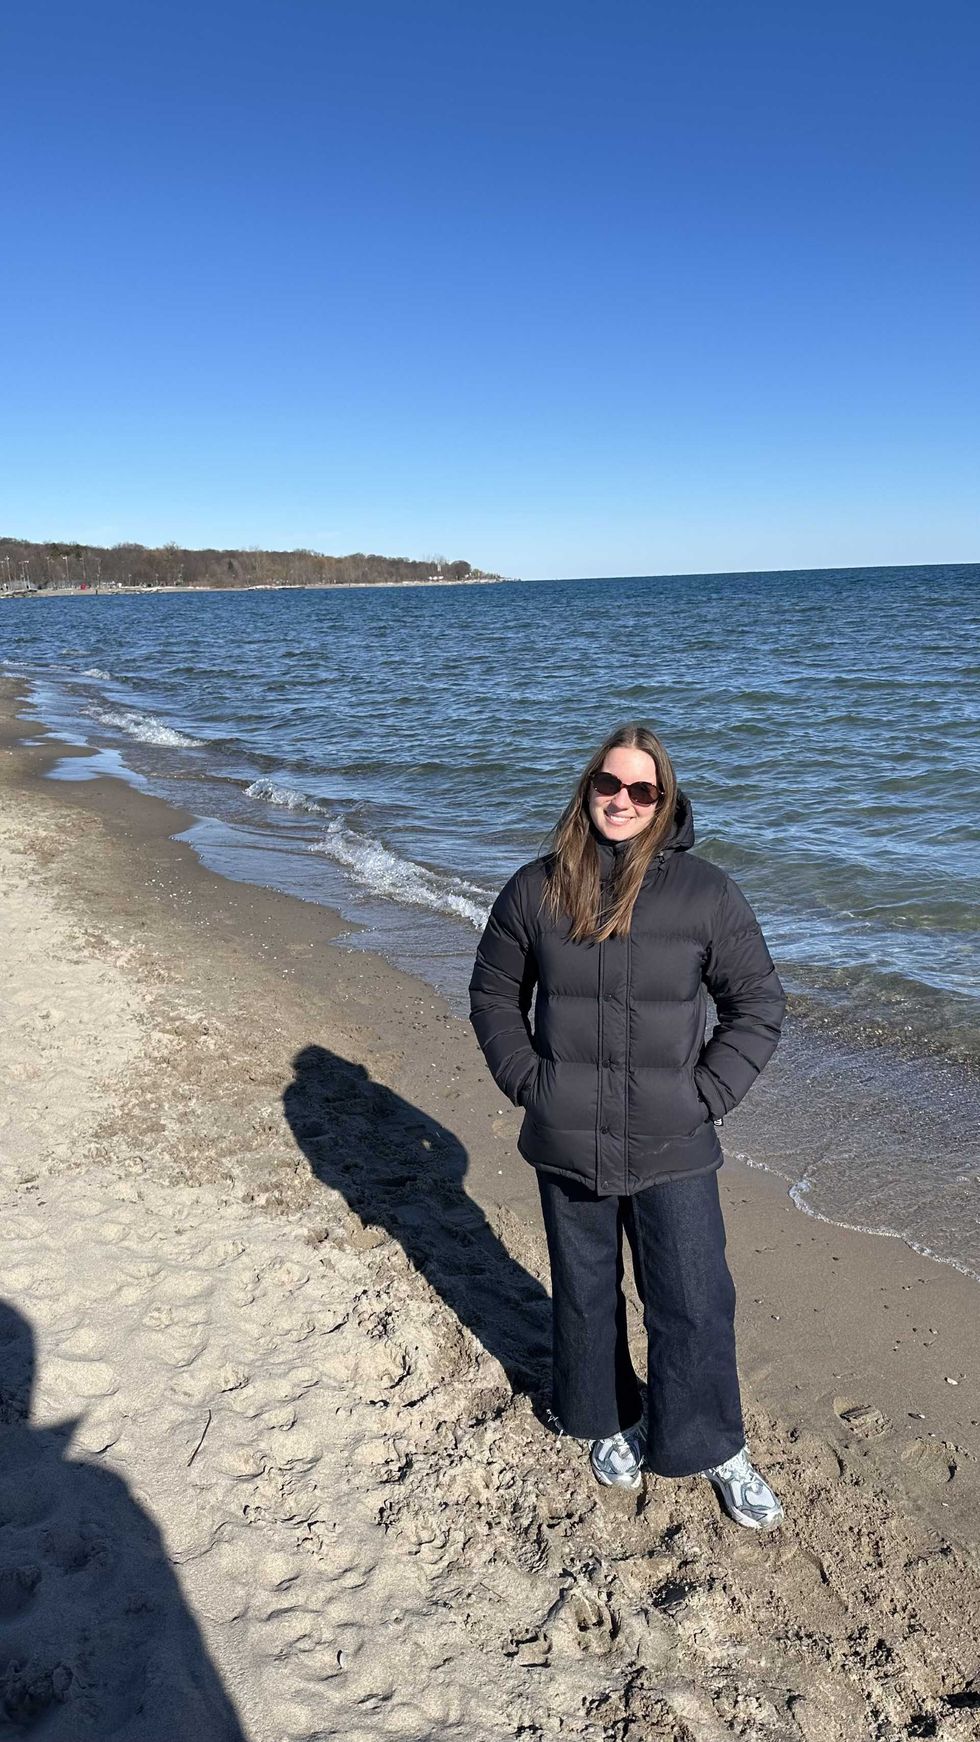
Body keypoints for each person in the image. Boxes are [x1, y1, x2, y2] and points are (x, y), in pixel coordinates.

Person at [469, 722, 787, 1529]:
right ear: (588, 790)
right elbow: (493, 997)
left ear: (664, 800)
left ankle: (712, 1443)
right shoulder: (535, 888)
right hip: (565, 1133)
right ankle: (606, 1420)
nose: (622, 801)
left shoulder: (706, 892)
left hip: (674, 1139)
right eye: (609, 785)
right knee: (584, 1295)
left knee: (694, 1298)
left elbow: (758, 1007)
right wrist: (529, 1083)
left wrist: (706, 1094)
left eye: (641, 790)